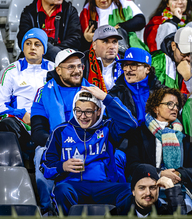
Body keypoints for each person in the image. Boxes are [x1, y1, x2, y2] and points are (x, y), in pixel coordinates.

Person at [41, 87, 138, 215]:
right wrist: (62, 166)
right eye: (78, 111)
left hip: (103, 186)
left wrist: (106, 98)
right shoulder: (61, 131)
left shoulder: (107, 127)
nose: (82, 116)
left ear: (98, 111)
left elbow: (130, 123)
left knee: (129, 190)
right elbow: (45, 167)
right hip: (73, 186)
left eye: (88, 112)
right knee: (61, 190)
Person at [30, 49, 90, 214]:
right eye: (71, 67)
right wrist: (60, 145)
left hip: (88, 145)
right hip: (54, 145)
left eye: (79, 66)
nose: (77, 71)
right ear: (58, 70)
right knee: (41, 153)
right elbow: (37, 131)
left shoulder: (92, 91)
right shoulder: (43, 93)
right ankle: (47, 208)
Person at [125, 87, 192, 211]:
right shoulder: (139, 134)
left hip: (178, 188)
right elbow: (132, 166)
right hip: (149, 188)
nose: (175, 108)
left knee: (187, 209)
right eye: (169, 104)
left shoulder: (185, 137)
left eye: (177, 105)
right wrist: (159, 173)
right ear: (156, 108)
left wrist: (177, 174)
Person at [0, 28, 54, 154]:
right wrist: (21, 114)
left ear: (44, 49)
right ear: (23, 48)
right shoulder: (12, 71)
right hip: (21, 123)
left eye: (37, 44)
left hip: (48, 122)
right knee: (6, 123)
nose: (32, 48)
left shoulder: (55, 69)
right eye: (28, 43)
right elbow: (1, 104)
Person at [17, 0, 81, 62]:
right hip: (36, 56)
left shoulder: (70, 11)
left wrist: (56, 53)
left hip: (64, 56)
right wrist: (50, 50)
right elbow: (23, 37)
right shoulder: (29, 12)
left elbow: (75, 39)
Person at [80, 0, 148, 53]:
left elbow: (141, 20)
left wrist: (120, 27)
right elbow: (81, 47)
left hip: (126, 52)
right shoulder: (87, 11)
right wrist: (86, 39)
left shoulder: (123, 2)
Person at [108, 47, 164, 126]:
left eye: (133, 65)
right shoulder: (114, 95)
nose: (128, 70)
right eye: (125, 65)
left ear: (147, 69)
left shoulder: (162, 92)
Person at [117, 164, 186, 216]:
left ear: (158, 189)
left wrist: (171, 188)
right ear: (133, 191)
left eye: (152, 187)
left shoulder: (165, 213)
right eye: (142, 188)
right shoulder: (117, 214)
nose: (148, 193)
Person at [151, 26, 192, 95]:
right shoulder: (157, 61)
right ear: (173, 46)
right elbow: (152, 92)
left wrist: (189, 77)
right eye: (185, 53)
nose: (189, 58)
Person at [83, 25, 123, 91]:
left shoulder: (125, 63)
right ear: (94, 45)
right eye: (105, 41)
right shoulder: (82, 62)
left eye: (114, 42)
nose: (112, 46)